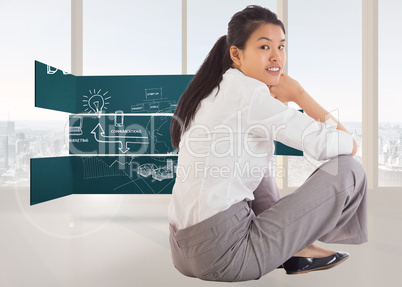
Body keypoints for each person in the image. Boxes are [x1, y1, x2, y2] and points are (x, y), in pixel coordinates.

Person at [168, 5, 367, 282]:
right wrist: (298, 93)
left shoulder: (214, 90)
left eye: (282, 47)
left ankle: (296, 248)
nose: (277, 57)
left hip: (182, 250)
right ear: (236, 54)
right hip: (225, 254)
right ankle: (298, 245)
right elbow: (346, 145)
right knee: (349, 169)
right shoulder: (251, 95)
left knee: (255, 159)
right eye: (264, 47)